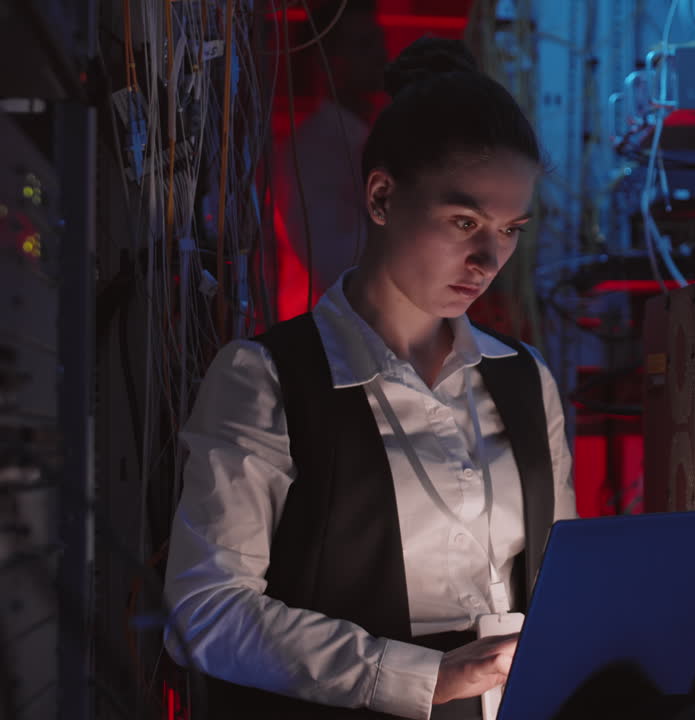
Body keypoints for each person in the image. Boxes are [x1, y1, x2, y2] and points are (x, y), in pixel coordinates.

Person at [165, 36, 575, 720]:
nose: (488, 257)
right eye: (464, 220)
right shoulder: (266, 378)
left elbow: (565, 588)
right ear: (381, 197)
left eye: (510, 229)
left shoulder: (525, 378)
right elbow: (204, 611)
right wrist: (421, 679)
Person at [271, 0, 387, 319]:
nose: (381, 56)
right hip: (325, 345)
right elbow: (339, 267)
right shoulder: (308, 152)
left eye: (378, 40)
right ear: (326, 62)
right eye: (363, 45)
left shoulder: (370, 140)